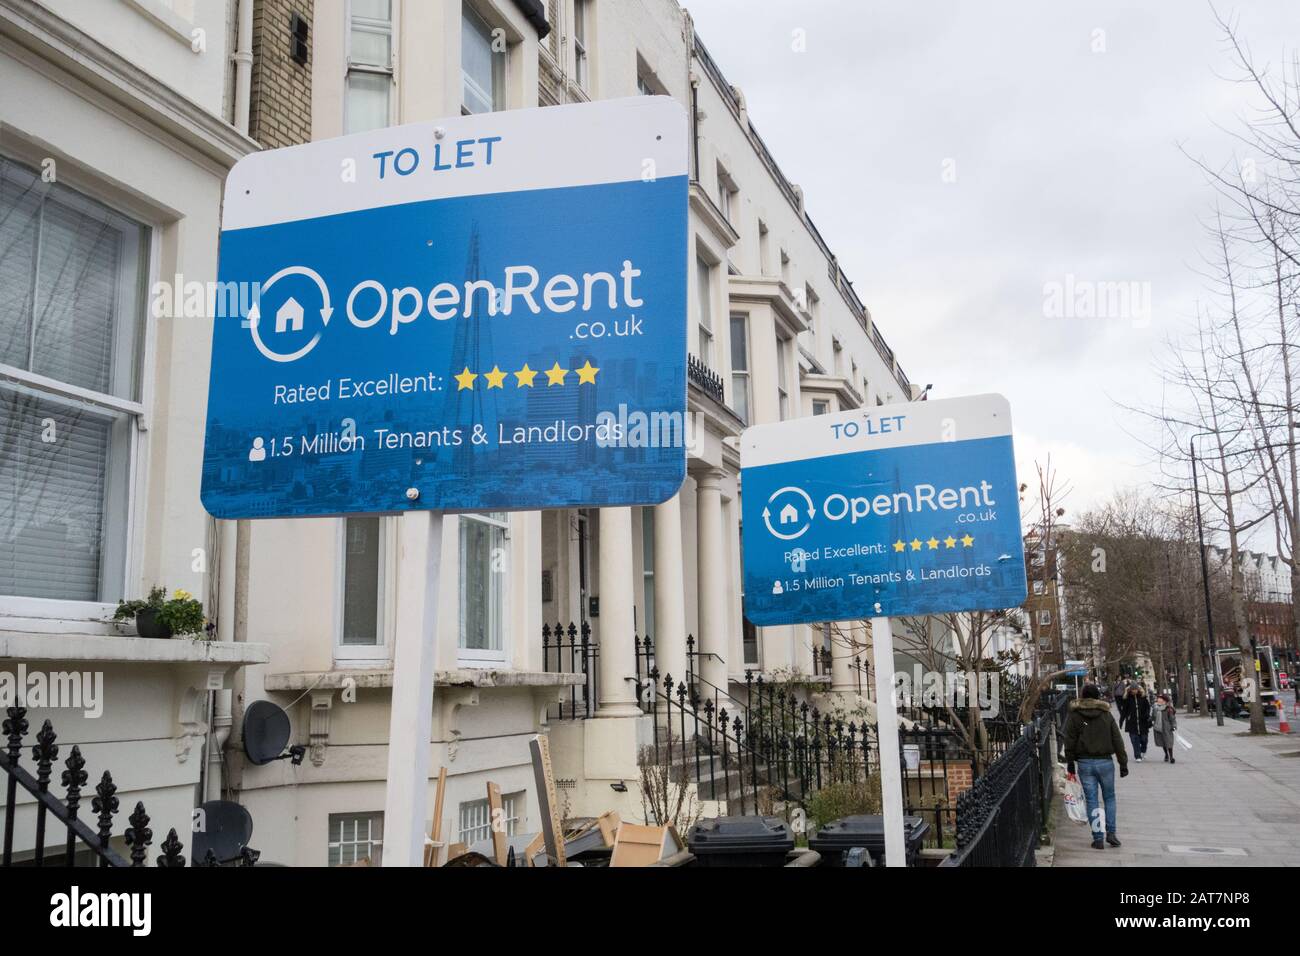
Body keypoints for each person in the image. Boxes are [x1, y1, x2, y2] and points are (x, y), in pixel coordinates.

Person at [1064, 683, 1129, 849]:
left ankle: (1098, 837)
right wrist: (1123, 763)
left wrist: (1070, 762)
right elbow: (1117, 740)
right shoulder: (1106, 715)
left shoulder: (1075, 716)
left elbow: (1069, 739)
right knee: (1109, 797)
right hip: (1105, 762)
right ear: (1098, 696)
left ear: (1083, 696)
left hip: (1085, 763)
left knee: (1092, 800)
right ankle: (1112, 833)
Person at [1118, 683, 1152, 761]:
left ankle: (1143, 750)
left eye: (1135, 689)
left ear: (1138, 689)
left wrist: (1146, 715)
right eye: (1132, 690)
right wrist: (1121, 721)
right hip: (1132, 722)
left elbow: (1147, 707)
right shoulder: (1127, 699)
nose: (1134, 691)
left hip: (1143, 722)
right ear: (1130, 690)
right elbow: (1124, 711)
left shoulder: (1143, 697)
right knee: (1134, 740)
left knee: (1144, 739)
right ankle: (1138, 756)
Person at [1152, 692, 1178, 763]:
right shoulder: (1155, 708)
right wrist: (1149, 721)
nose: (1158, 700)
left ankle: (1171, 757)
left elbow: (1172, 719)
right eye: (1158, 699)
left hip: (1167, 729)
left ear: (1165, 701)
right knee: (1162, 743)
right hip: (1158, 728)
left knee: (1169, 742)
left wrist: (1174, 726)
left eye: (1160, 699)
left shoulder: (1169, 709)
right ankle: (1166, 754)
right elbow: (1153, 717)